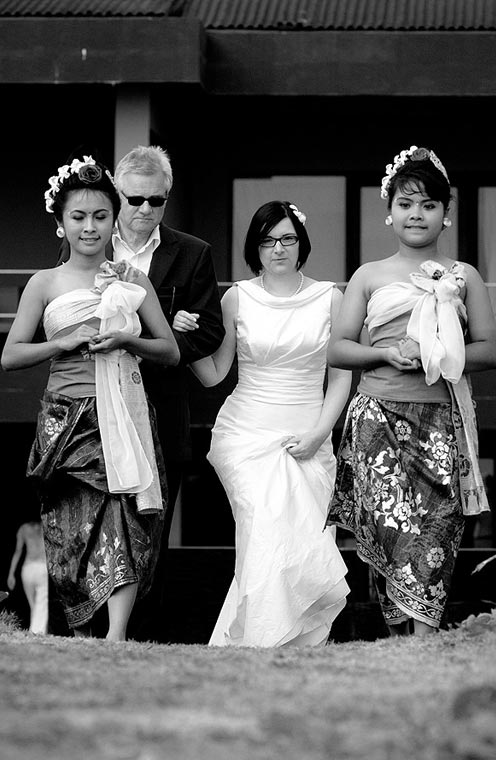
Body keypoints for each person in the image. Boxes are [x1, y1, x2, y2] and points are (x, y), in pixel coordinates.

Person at [1, 153, 180, 640]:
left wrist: (128, 340)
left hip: (121, 411)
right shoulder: (44, 282)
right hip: (65, 417)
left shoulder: (131, 279)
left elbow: (169, 350)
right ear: (60, 224)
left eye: (101, 216)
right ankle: (81, 625)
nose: (90, 227)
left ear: (114, 218)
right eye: (78, 217)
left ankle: (116, 633)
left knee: (121, 516)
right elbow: (10, 355)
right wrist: (58, 343)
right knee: (69, 525)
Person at [326, 145, 496, 636]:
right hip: (376, 416)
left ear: (446, 214)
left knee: (437, 528)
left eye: (428, 204)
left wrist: (437, 348)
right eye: (405, 204)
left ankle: (420, 637)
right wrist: (383, 353)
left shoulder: (464, 277)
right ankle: (403, 635)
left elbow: (491, 351)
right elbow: (338, 350)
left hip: (442, 422)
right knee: (390, 524)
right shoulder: (369, 274)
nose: (416, 214)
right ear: (389, 212)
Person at [59, 145, 225, 641]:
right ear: (117, 195)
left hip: (159, 408)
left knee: (150, 529)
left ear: (167, 198)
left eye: (156, 200)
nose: (144, 211)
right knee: (88, 519)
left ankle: (139, 635)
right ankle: (85, 629)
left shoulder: (193, 252)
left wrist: (165, 337)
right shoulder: (89, 242)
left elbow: (210, 332)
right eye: (133, 199)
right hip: (92, 407)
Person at [179, 200, 352, 647]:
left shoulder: (331, 297)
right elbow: (216, 373)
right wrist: (185, 338)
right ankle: (261, 640)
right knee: (265, 528)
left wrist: (319, 434)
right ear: (255, 247)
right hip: (246, 434)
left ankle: (282, 645)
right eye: (267, 240)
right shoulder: (237, 296)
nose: (278, 248)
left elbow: (341, 378)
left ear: (301, 244)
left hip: (309, 434)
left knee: (300, 544)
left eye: (287, 238)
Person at [6, 521, 49, 634]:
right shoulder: (47, 525)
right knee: (41, 601)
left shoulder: (24, 528)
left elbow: (18, 551)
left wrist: (11, 573)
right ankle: (37, 632)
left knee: (33, 603)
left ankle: (34, 631)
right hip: (42, 567)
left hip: (28, 568)